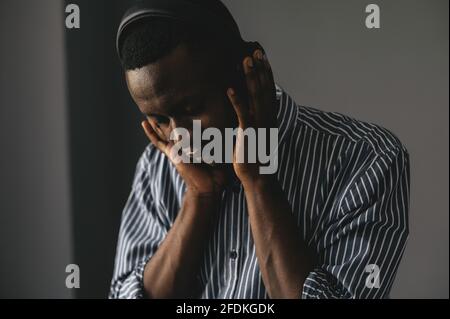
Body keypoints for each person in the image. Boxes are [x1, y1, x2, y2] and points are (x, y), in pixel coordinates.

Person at [109, 0, 410, 299]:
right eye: (159, 119)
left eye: (192, 108)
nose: (179, 137)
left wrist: (258, 179)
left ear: (243, 74)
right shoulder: (156, 166)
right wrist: (198, 198)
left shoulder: (366, 159)